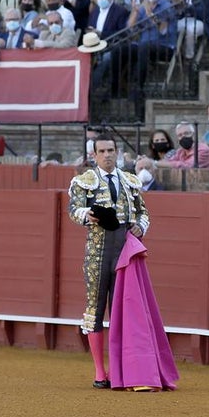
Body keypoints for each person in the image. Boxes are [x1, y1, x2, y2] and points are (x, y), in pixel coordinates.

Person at [67, 133, 150, 389]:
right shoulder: (84, 182)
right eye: (102, 151)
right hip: (97, 253)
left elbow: (143, 212)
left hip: (123, 251)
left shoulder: (129, 181)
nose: (107, 155)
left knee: (120, 311)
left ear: (117, 151)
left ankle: (117, 368)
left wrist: (140, 227)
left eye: (111, 150)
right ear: (94, 155)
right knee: (95, 309)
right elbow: (73, 209)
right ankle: (99, 371)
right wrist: (88, 214)